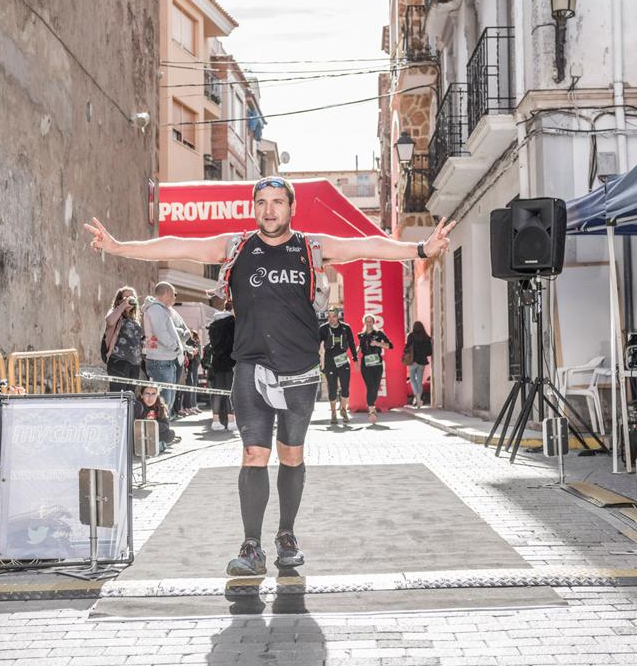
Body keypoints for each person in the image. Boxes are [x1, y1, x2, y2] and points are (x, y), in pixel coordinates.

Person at [86, 176, 454, 576]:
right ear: (254, 206)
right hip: (251, 368)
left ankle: (286, 535)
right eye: (261, 201)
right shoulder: (236, 246)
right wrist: (119, 247)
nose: (269, 209)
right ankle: (250, 547)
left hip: (300, 372)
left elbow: (366, 245)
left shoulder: (311, 247)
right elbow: (177, 244)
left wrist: (419, 248)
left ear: (291, 207)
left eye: (278, 201)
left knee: (291, 455)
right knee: (253, 454)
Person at [142, 282, 188, 409]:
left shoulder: (160, 309)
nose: (174, 298)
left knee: (167, 401)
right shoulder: (156, 309)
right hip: (161, 361)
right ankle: (163, 427)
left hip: (164, 360)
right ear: (167, 293)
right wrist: (176, 347)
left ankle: (165, 427)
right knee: (164, 402)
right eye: (174, 294)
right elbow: (161, 332)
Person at [318, 307, 357, 426]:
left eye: (333, 316)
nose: (331, 319)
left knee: (345, 387)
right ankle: (333, 412)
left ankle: (343, 410)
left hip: (343, 361)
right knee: (332, 388)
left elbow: (351, 343)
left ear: (338, 316)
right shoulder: (323, 328)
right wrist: (317, 359)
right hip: (330, 362)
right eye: (329, 317)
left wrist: (355, 358)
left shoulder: (346, 327)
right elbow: (317, 344)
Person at [101, 286, 144, 392]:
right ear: (119, 300)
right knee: (118, 395)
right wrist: (122, 306)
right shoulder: (116, 312)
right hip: (118, 360)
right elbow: (110, 321)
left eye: (132, 297)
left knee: (129, 396)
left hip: (134, 363)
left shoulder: (135, 318)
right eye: (126, 297)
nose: (129, 300)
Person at [357, 315, 395, 425]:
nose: (368, 323)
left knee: (375, 386)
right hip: (366, 364)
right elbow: (359, 347)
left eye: (370, 321)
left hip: (377, 364)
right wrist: (355, 355)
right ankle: (371, 411)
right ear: (364, 322)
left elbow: (390, 345)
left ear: (373, 322)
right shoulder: (361, 335)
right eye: (367, 321)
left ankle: (370, 404)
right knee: (370, 386)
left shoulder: (379, 334)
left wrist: (378, 343)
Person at [207, 301, 237, 432]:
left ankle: (216, 421)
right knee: (230, 392)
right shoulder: (233, 323)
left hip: (217, 363)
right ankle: (231, 421)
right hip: (230, 362)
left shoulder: (213, 325)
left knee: (217, 392)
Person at [135, 383, 179, 452]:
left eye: (153, 394)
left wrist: (153, 424)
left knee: (170, 434)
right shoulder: (137, 406)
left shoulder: (160, 406)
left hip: (155, 434)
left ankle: (157, 445)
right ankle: (158, 446)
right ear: (141, 395)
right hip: (139, 436)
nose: (150, 397)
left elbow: (166, 426)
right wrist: (145, 421)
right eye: (147, 394)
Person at [403, 321, 433, 407]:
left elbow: (407, 348)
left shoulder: (411, 336)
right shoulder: (426, 337)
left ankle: (418, 398)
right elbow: (429, 352)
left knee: (412, 380)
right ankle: (419, 399)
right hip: (422, 362)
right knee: (419, 381)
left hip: (413, 361)